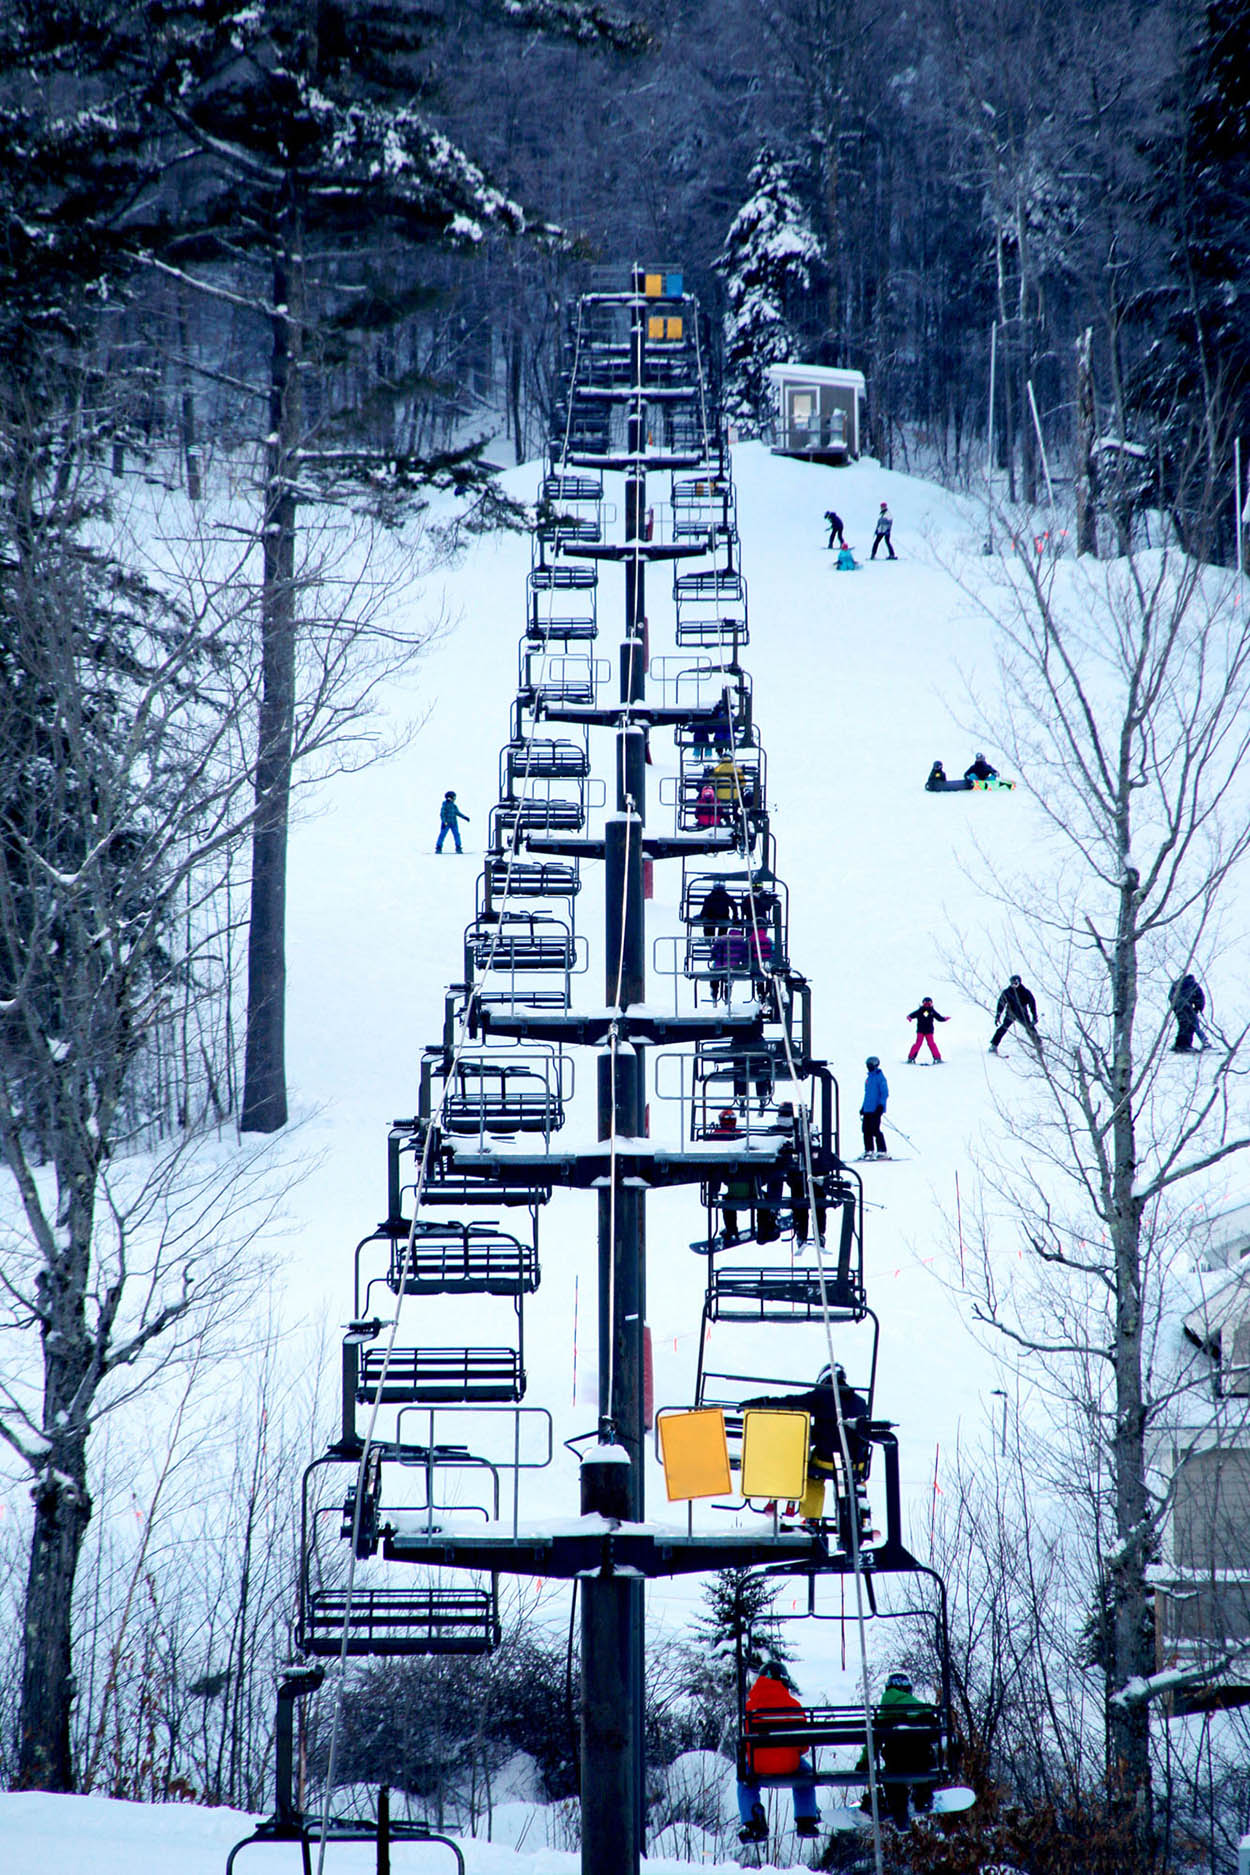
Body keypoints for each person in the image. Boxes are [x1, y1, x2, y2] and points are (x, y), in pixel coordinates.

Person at [743, 1365, 873, 1542]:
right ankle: (862, 1518)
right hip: (857, 1463)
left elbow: (793, 1402)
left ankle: (811, 1518)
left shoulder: (822, 1396)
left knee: (811, 1474)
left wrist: (764, 1402)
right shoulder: (860, 1401)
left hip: (828, 1459)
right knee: (854, 1480)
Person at [737, 1661, 820, 1842]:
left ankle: (754, 1823)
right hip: (789, 1764)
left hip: (759, 1765)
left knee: (744, 1779)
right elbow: (803, 1745)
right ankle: (806, 1819)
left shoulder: (751, 1707)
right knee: (805, 1774)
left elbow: (748, 1741)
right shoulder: (794, 1706)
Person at [858, 1672, 940, 1828]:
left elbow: (873, 1740)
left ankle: (900, 1815)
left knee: (892, 1777)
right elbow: (935, 1733)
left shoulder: (884, 1713)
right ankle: (923, 1797)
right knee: (926, 1758)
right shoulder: (921, 1708)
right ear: (907, 1690)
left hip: (896, 1762)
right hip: (921, 1761)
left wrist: (864, 1762)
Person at [989, 974, 1038, 1053]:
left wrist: (1034, 1016)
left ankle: (1038, 1045)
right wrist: (998, 1015)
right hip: (1011, 1013)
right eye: (1012, 983)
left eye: (1015, 983)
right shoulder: (1007, 992)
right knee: (1003, 1028)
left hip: (1022, 1013)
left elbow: (1032, 1004)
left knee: (1030, 1028)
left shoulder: (1025, 992)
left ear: (1019, 982)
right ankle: (994, 1045)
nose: (1014, 985)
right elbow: (1001, 1003)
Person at [1169, 973, 1207, 1052]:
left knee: (1182, 1025)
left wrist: (1174, 1007)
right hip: (1188, 1008)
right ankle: (1185, 1045)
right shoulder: (1193, 985)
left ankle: (1179, 1044)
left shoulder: (1176, 984)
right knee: (1190, 1026)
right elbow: (1201, 998)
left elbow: (1170, 996)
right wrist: (1198, 1009)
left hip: (1177, 1008)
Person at [860, 1056, 889, 1158]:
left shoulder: (880, 1077)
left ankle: (882, 1151)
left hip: (876, 1109)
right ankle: (869, 1150)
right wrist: (863, 1107)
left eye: (870, 1065)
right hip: (868, 1109)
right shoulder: (868, 1079)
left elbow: (884, 1093)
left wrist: (881, 1105)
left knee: (875, 1129)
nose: (868, 1067)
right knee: (865, 1130)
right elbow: (867, 1095)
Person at [906, 996, 948, 1063]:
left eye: (929, 1003)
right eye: (926, 1003)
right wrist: (909, 1017)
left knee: (931, 1044)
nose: (927, 1005)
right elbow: (911, 1015)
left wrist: (944, 1019)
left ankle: (937, 1058)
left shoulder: (932, 1011)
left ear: (931, 1004)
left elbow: (939, 1017)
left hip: (929, 1031)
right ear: (923, 1004)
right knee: (918, 1044)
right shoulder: (920, 1011)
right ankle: (911, 1058)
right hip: (920, 1031)